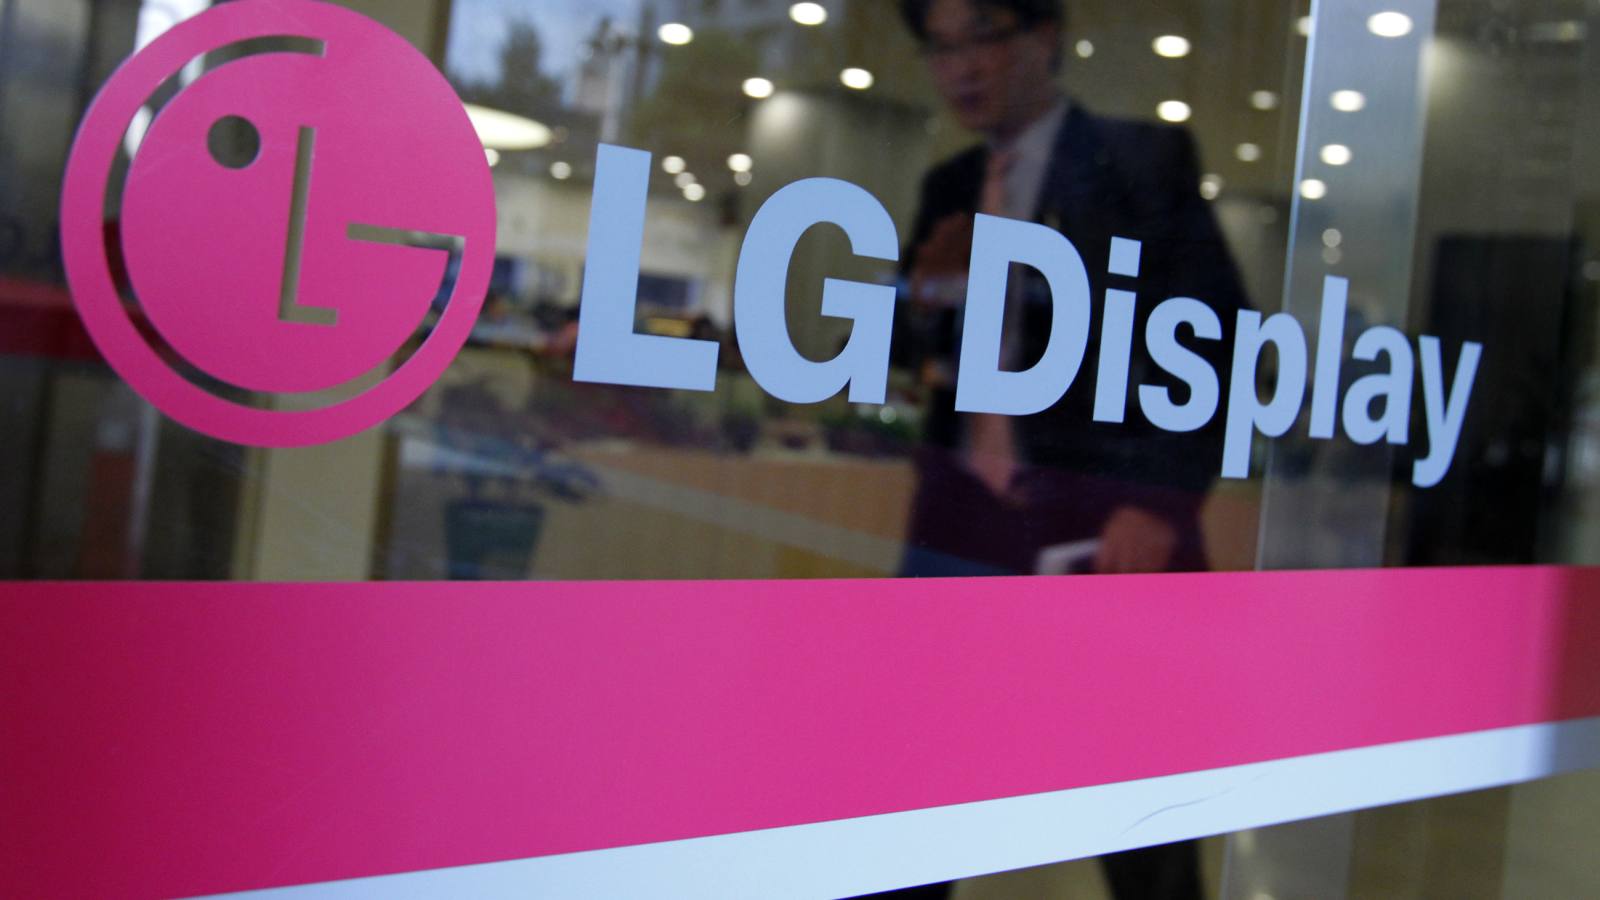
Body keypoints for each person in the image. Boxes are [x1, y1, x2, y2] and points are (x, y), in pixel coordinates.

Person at [883, 0, 1250, 896]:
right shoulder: (950, 185)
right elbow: (902, 353)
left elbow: (1219, 343)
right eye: (940, 47)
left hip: (1102, 536)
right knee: (902, 813)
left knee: (1139, 823)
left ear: (1044, 37)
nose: (960, 67)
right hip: (959, 532)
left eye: (982, 37)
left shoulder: (1140, 161)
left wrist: (1157, 503)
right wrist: (924, 296)